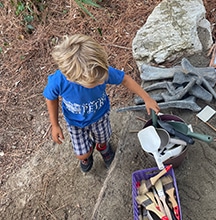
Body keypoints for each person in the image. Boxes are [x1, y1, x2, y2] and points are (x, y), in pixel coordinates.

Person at [43, 34, 160, 173]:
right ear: (71, 77)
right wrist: (55, 125)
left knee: (104, 138)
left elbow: (125, 79)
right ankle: (88, 152)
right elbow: (50, 98)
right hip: (75, 123)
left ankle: (103, 147)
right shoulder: (58, 81)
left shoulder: (99, 70)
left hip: (100, 116)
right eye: (94, 83)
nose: (101, 82)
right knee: (82, 154)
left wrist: (146, 98)